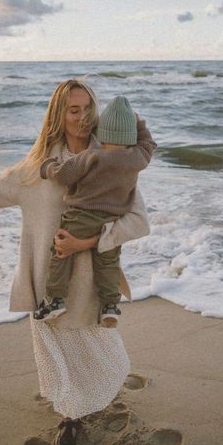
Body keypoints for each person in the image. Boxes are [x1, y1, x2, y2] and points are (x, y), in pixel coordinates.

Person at [0, 79, 151, 445]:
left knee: (95, 351)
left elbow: (138, 220)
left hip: (89, 282)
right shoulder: (39, 166)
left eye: (88, 108)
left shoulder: (111, 161)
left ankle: (83, 402)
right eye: (74, 110)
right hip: (46, 281)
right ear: (58, 114)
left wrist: (88, 243)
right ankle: (70, 421)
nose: (83, 117)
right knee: (56, 354)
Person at [35, 96, 156, 327]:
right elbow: (149, 143)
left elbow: (64, 175)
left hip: (81, 216)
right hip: (111, 220)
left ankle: (55, 299)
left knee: (60, 253)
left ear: (101, 132)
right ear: (129, 135)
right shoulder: (138, 158)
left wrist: (47, 167)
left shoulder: (91, 156)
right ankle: (110, 306)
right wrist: (138, 122)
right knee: (108, 263)